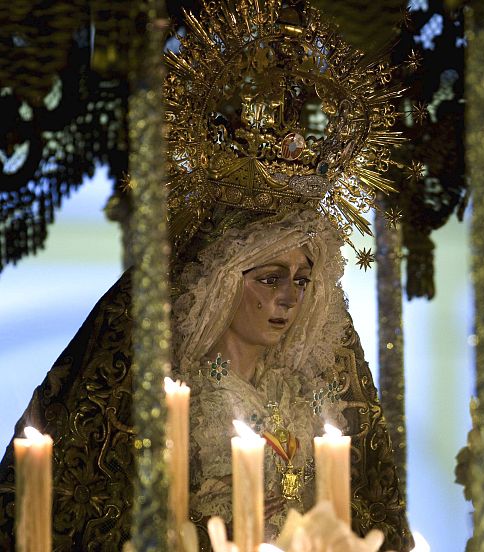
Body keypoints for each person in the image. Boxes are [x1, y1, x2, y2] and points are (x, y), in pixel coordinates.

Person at [0, 0, 411, 549]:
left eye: (302, 280)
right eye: (269, 278)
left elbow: (356, 511)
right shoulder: (176, 395)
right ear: (222, 280)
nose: (288, 298)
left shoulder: (308, 390)